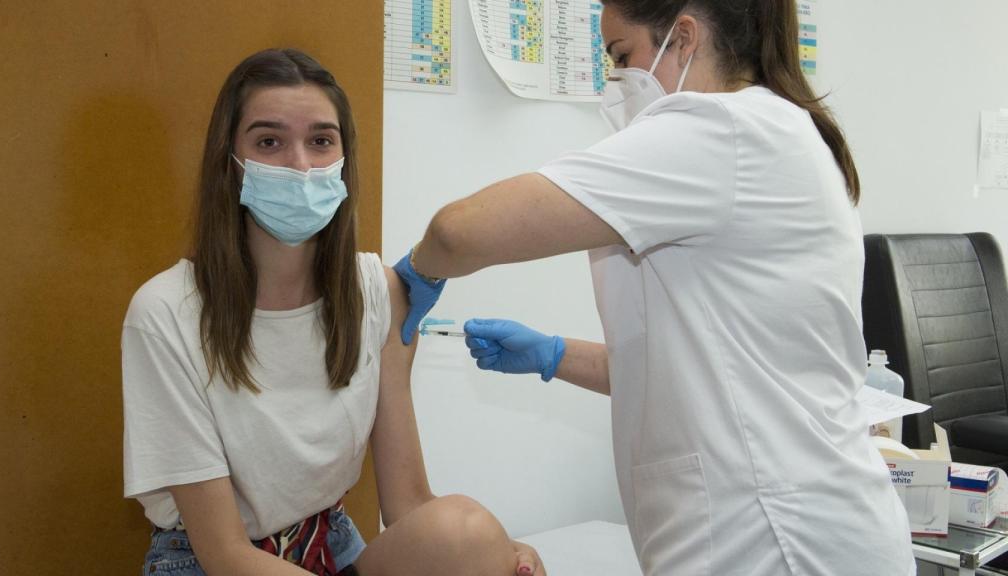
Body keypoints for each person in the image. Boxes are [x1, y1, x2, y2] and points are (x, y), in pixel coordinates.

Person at [393, 1, 915, 575]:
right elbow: (702, 369)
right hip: (803, 523)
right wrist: (554, 354)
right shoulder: (775, 134)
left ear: (684, 38)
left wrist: (418, 271)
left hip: (783, 541)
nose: (615, 81)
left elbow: (460, 230)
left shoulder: (724, 132)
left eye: (622, 56)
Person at [121, 48, 542, 576]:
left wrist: (496, 555)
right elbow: (225, 554)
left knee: (468, 533)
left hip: (329, 545)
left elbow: (409, 504)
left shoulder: (377, 291)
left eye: (321, 141)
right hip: (212, 564)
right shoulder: (164, 313)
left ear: (344, 157)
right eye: (269, 142)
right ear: (229, 162)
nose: (300, 165)